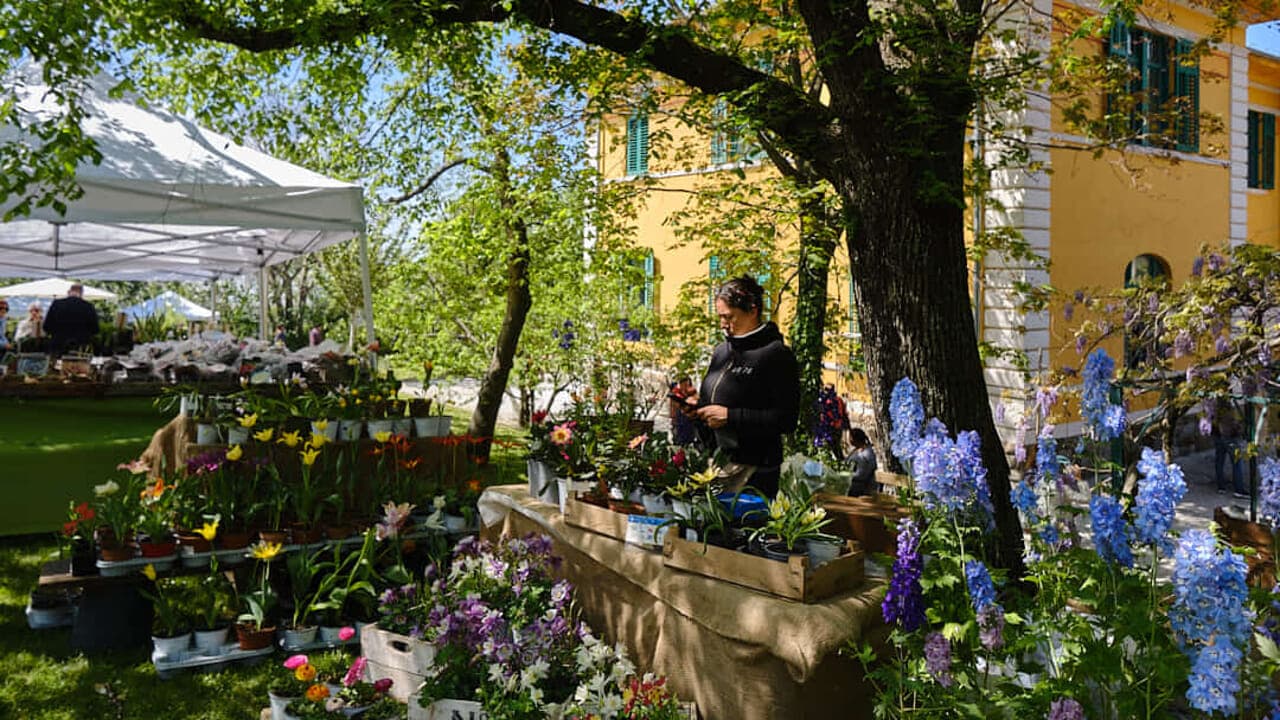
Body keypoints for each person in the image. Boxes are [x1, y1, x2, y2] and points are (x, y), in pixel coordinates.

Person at [688, 275, 799, 497]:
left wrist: (731, 416)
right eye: (720, 317)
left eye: (729, 316)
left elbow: (786, 419)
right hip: (716, 463)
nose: (723, 324)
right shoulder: (721, 351)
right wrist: (696, 408)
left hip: (756, 471)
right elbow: (714, 406)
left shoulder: (776, 355)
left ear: (752, 310)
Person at [42, 283, 99, 356]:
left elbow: (46, 326)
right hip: (80, 346)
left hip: (58, 344)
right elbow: (95, 329)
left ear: (69, 291)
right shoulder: (88, 306)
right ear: (81, 293)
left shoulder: (56, 304)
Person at [1213, 397, 1248, 498]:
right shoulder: (1226, 408)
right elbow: (1231, 424)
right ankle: (1239, 490)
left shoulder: (1213, 404)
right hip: (1229, 437)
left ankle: (1221, 486)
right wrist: (1239, 428)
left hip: (1218, 436)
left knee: (1219, 461)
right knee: (1237, 463)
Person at [846, 428, 878, 496]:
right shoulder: (856, 450)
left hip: (863, 487)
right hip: (855, 483)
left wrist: (848, 476)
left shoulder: (867, 453)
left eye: (850, 437)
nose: (849, 440)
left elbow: (862, 474)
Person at [669, 376, 698, 446]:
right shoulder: (676, 394)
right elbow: (673, 408)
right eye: (682, 385)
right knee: (678, 442)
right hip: (679, 422)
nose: (684, 388)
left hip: (689, 423)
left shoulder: (693, 394)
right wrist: (673, 419)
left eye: (686, 385)